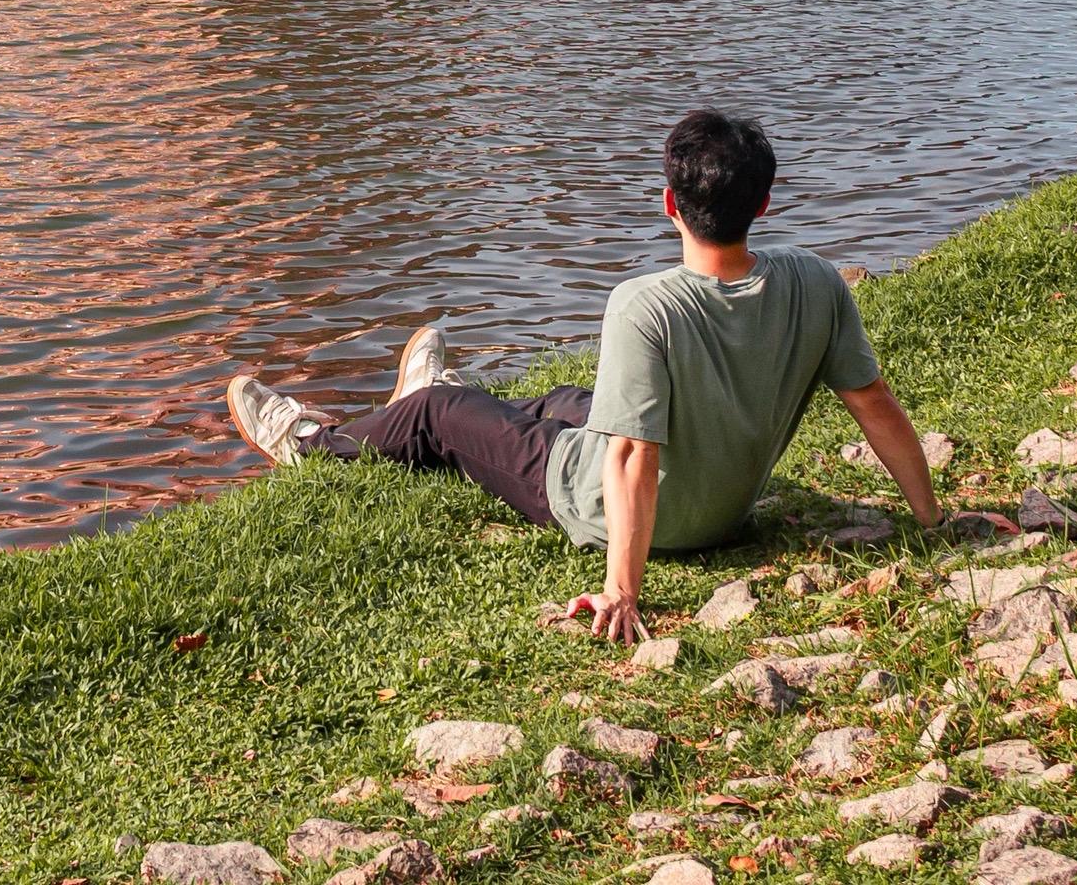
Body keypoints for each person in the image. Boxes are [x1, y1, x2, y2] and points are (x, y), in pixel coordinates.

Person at [225, 107, 979, 639]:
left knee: (441, 418)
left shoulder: (645, 305)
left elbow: (631, 455)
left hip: (619, 509)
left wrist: (623, 588)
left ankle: (313, 443)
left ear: (668, 205)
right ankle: (438, 399)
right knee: (563, 399)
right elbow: (873, 401)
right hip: (726, 504)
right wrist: (932, 522)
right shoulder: (817, 282)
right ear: (766, 201)